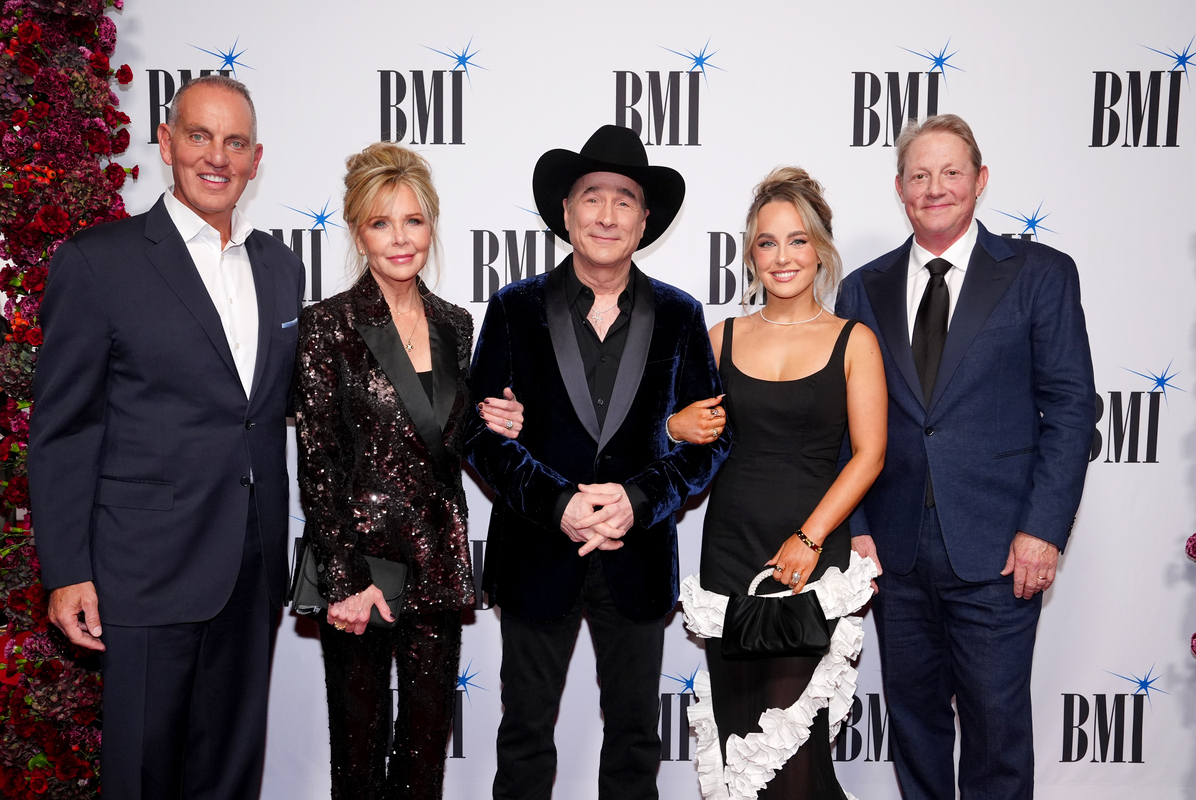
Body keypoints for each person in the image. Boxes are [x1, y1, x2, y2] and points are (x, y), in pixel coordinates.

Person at [28, 75, 304, 798]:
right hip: (143, 568)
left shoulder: (279, 266)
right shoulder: (99, 261)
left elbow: (271, 406)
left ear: (256, 158)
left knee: (231, 775)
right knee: (144, 775)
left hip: (251, 567)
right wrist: (66, 569)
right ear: (167, 142)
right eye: (200, 135)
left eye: (235, 142)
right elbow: (64, 428)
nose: (217, 156)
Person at [835, 114, 1096, 799]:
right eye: (919, 175)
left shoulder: (1040, 275)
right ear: (899, 188)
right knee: (915, 725)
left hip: (1000, 546)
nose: (935, 187)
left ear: (980, 181)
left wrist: (1042, 530)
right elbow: (846, 421)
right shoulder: (864, 288)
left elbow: (1070, 409)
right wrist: (857, 529)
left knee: (996, 730)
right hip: (893, 550)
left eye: (952, 172)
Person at [466, 124, 729, 800]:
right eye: (591, 197)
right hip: (536, 554)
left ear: (646, 219)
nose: (606, 215)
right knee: (525, 734)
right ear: (566, 211)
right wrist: (562, 506)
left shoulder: (679, 314)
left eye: (624, 200)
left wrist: (633, 502)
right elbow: (479, 433)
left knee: (637, 738)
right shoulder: (514, 308)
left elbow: (709, 442)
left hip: (636, 557)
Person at [293, 142, 522, 799]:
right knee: (358, 759)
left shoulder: (457, 324)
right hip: (361, 566)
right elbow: (319, 461)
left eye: (414, 220)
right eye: (381, 222)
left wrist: (495, 420)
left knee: (424, 761)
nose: (401, 238)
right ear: (358, 231)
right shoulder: (326, 326)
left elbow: (446, 438)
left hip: (437, 563)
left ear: (432, 224)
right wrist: (344, 580)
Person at [668, 167, 887, 798]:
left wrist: (810, 539)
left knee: (792, 752)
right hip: (732, 554)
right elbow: (682, 440)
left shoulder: (854, 341)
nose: (782, 256)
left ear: (820, 248)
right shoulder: (721, 338)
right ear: (750, 254)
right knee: (741, 746)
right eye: (767, 242)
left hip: (810, 559)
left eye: (797, 240)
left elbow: (869, 455)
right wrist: (674, 425)